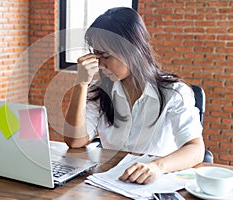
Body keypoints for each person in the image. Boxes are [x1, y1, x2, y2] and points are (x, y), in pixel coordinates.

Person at [63, 7, 205, 184]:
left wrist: (156, 166)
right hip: (110, 183)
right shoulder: (100, 90)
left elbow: (196, 149)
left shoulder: (174, 93)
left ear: (133, 50)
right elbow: (75, 141)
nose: (99, 64)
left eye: (105, 56)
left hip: (154, 185)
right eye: (95, 55)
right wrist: (81, 83)